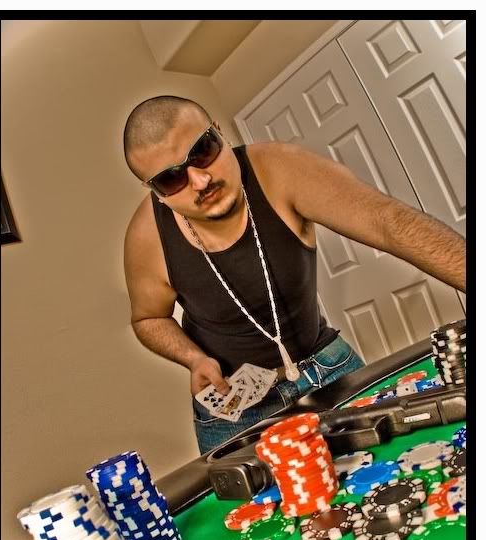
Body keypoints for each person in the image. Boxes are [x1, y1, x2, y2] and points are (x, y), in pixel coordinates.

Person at [122, 95, 466, 455]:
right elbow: (148, 318)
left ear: (220, 133)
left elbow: (387, 223)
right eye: (171, 178)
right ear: (155, 191)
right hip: (235, 412)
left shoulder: (278, 169)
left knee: (395, 463)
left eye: (203, 150)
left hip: (327, 368)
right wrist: (194, 359)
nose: (200, 180)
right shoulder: (147, 237)